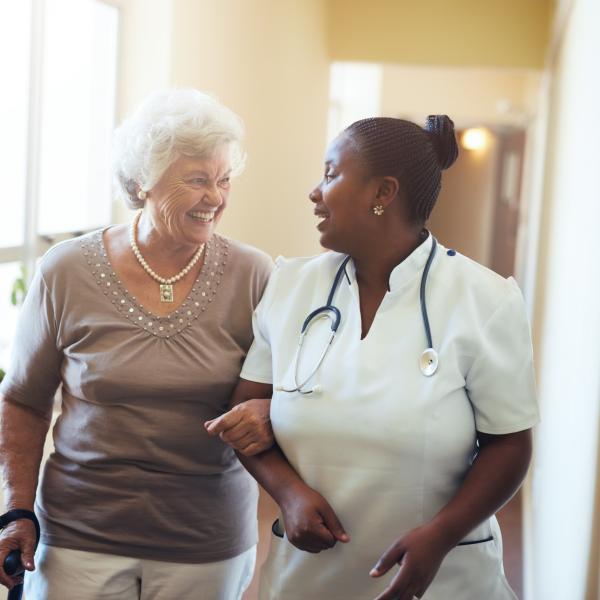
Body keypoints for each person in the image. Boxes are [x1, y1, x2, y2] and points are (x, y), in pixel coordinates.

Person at [208, 116, 539, 599]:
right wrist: (289, 493)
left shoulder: (485, 300)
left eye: (330, 173)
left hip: (443, 575)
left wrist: (441, 536)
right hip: (309, 574)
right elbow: (245, 418)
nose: (314, 192)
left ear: (382, 193)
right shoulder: (290, 287)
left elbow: (509, 445)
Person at [0, 89, 274, 599]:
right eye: (196, 180)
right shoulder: (67, 270)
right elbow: (23, 399)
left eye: (224, 180)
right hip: (78, 539)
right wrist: (16, 508)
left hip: (205, 541)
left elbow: (286, 389)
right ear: (142, 182)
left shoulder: (254, 274)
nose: (215, 197)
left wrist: (267, 409)